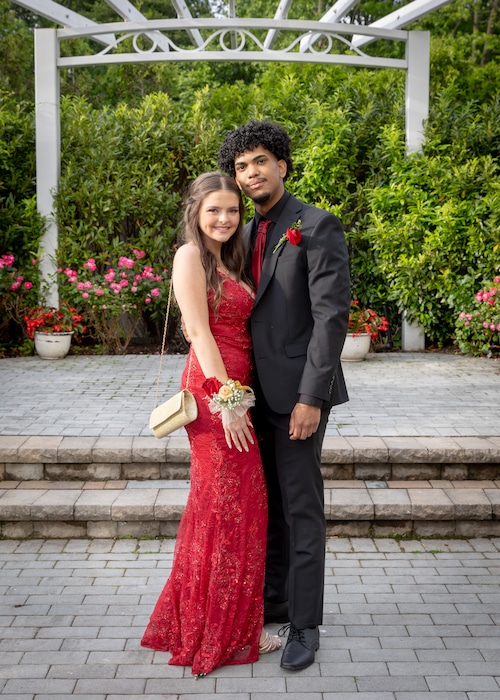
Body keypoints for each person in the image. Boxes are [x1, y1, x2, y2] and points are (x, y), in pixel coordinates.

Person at [218, 121, 350, 671]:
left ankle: (305, 625)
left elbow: (330, 318)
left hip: (298, 397)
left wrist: (311, 398)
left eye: (259, 161)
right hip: (252, 397)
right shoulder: (243, 233)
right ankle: (275, 601)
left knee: (300, 509)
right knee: (267, 506)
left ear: (282, 166)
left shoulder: (316, 225)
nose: (251, 173)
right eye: (241, 166)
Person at [141, 172, 281, 678]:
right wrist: (229, 400)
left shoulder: (230, 259)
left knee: (227, 506)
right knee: (230, 505)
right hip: (215, 393)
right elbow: (199, 331)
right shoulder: (190, 256)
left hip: (236, 390)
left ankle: (209, 620)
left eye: (232, 210)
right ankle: (224, 630)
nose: (225, 219)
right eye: (214, 210)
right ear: (195, 212)